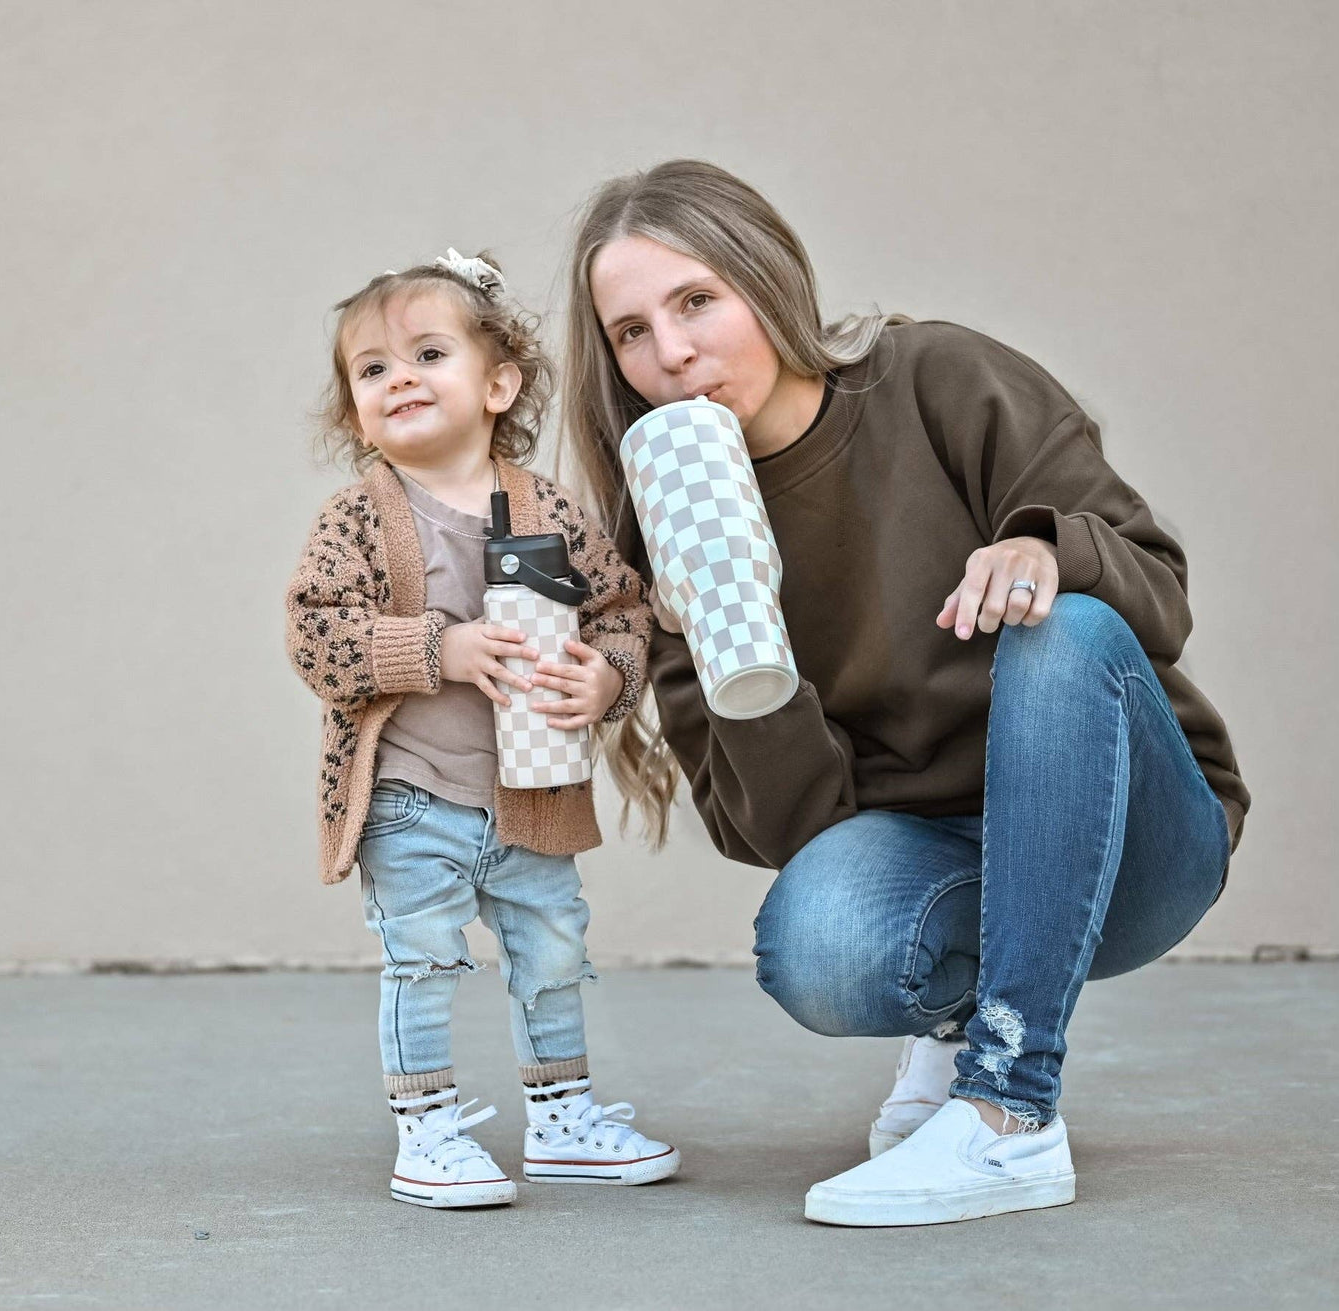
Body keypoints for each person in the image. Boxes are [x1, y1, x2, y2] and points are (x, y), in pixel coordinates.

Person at [560, 161, 1250, 1226]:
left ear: (766, 277)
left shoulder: (936, 377)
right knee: (814, 946)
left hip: (1132, 843)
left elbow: (1153, 590)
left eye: (696, 300)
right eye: (631, 332)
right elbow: (790, 836)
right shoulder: (672, 535)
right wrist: (739, 638)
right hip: (936, 859)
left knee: (1062, 627)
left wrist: (1041, 551)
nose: (672, 352)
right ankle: (960, 1031)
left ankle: (1006, 1112)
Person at [284, 249, 679, 1209]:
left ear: (498, 382)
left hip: (528, 790)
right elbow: (316, 631)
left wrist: (607, 676)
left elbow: (620, 607)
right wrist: (439, 649)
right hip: (410, 795)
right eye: (372, 370)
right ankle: (427, 1130)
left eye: (427, 353)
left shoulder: (547, 509)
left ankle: (563, 1120)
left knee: (550, 952)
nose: (399, 379)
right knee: (423, 958)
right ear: (354, 407)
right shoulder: (358, 518)